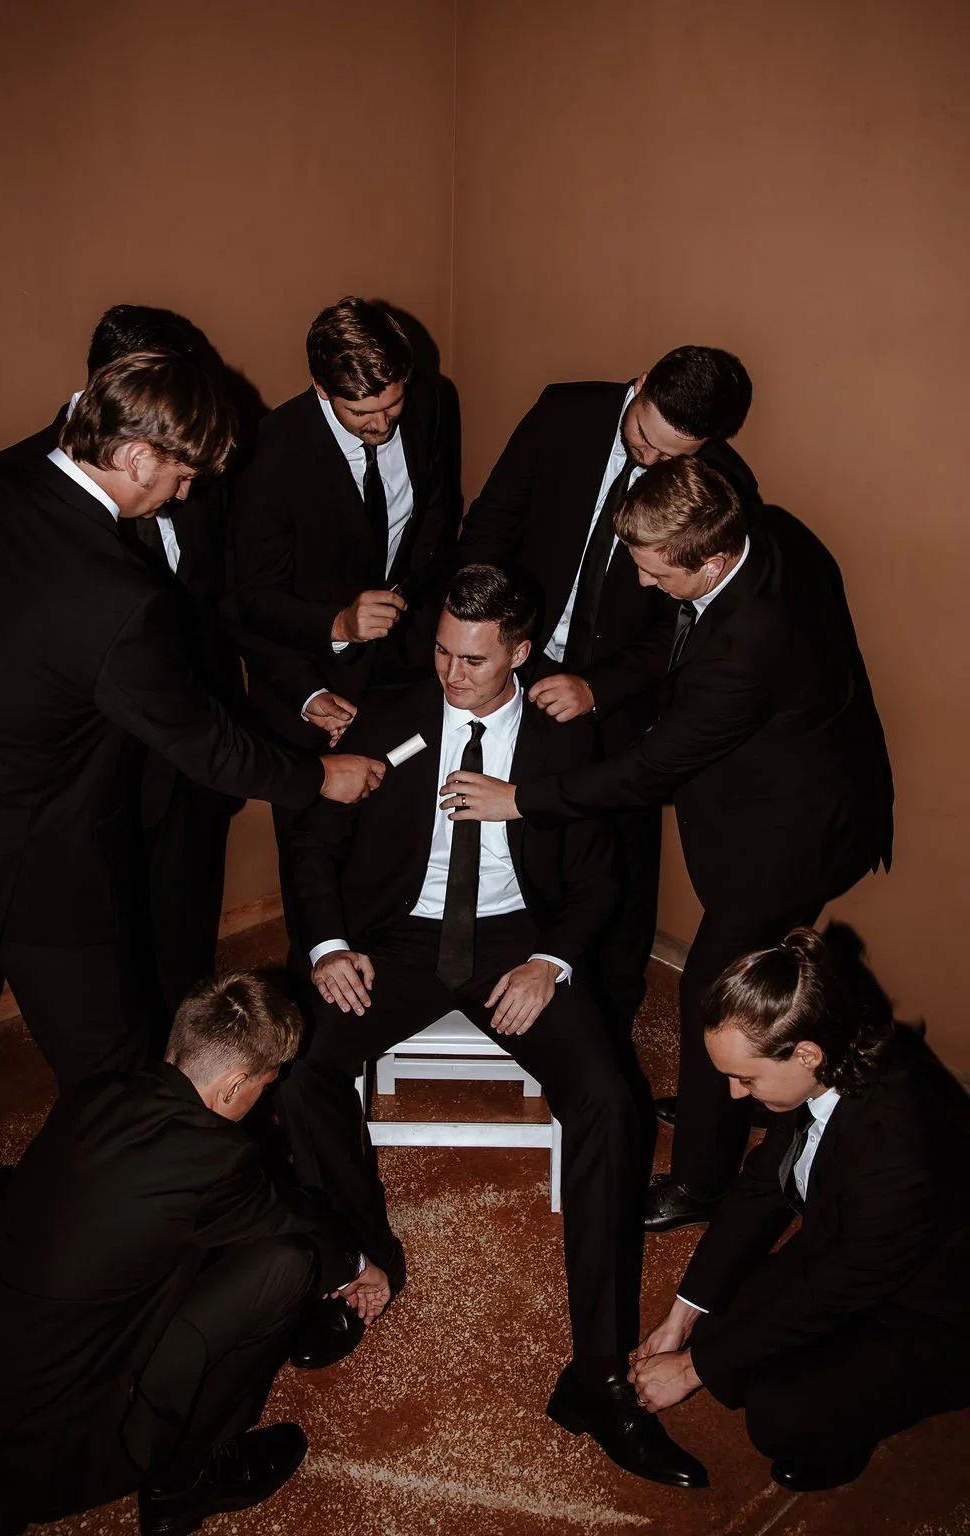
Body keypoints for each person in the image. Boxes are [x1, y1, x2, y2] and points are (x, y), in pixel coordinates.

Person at [279, 564, 708, 1490]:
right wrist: (325, 945)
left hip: (518, 940)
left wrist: (550, 963)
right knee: (298, 1066)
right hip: (395, 938)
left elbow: (600, 881)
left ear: (521, 651)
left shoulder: (567, 735)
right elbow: (313, 836)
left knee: (608, 1100)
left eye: (473, 658)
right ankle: (361, 1259)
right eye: (440, 649)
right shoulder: (390, 710)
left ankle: (596, 1373)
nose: (451, 673)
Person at [0, 352, 383, 1233]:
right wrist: (317, 776)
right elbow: (207, 745)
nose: (181, 496)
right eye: (180, 475)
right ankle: (143, 1249)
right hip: (39, 873)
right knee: (117, 1078)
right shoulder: (117, 596)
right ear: (139, 457)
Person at [442, 457, 893, 1232]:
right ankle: (735, 1090)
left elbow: (647, 770)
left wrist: (520, 801)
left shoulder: (747, 650)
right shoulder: (770, 532)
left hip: (790, 831)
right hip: (803, 785)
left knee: (708, 990)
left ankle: (702, 1182)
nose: (645, 586)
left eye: (655, 573)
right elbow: (677, 638)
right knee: (753, 983)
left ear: (710, 557)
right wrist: (602, 687)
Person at [0, 971, 390, 1535]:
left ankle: (5, 1500)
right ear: (232, 1087)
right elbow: (293, 1218)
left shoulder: (94, 1095)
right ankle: (184, 1485)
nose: (265, 1097)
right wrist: (359, 1268)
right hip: (62, 1450)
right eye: (265, 1084)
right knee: (287, 1263)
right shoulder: (214, 1159)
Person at [458, 347, 755, 1039]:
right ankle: (499, 978)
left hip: (619, 693)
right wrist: (486, 634)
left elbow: (684, 624)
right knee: (515, 829)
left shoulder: (721, 486)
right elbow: (494, 521)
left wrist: (599, 687)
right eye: (645, 437)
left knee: (618, 858)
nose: (649, 459)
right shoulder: (565, 410)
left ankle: (607, 1017)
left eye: (671, 453)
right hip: (520, 655)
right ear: (643, 381)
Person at [0, 303, 261, 1021]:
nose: (184, 491)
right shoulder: (2, 489)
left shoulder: (193, 459)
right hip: (81, 792)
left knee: (184, 963)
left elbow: (223, 600)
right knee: (100, 998)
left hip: (192, 770)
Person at [630, 929, 970, 1492]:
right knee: (731, 1340)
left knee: (779, 1416)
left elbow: (828, 1291)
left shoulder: (897, 1161)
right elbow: (760, 1188)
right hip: (850, 1245)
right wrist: (682, 1316)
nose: (737, 1095)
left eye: (747, 1078)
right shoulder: (828, 1057)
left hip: (933, 1309)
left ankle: (851, 1436)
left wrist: (690, 1370)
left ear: (806, 1054)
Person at [230, 296, 460, 980]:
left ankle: (393, 979)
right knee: (314, 859)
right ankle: (322, 995)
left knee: (399, 837)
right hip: (305, 685)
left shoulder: (432, 402)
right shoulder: (269, 451)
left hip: (403, 671)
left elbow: (438, 523)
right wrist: (335, 627)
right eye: (364, 414)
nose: (385, 425)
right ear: (319, 387)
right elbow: (249, 600)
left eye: (393, 405)